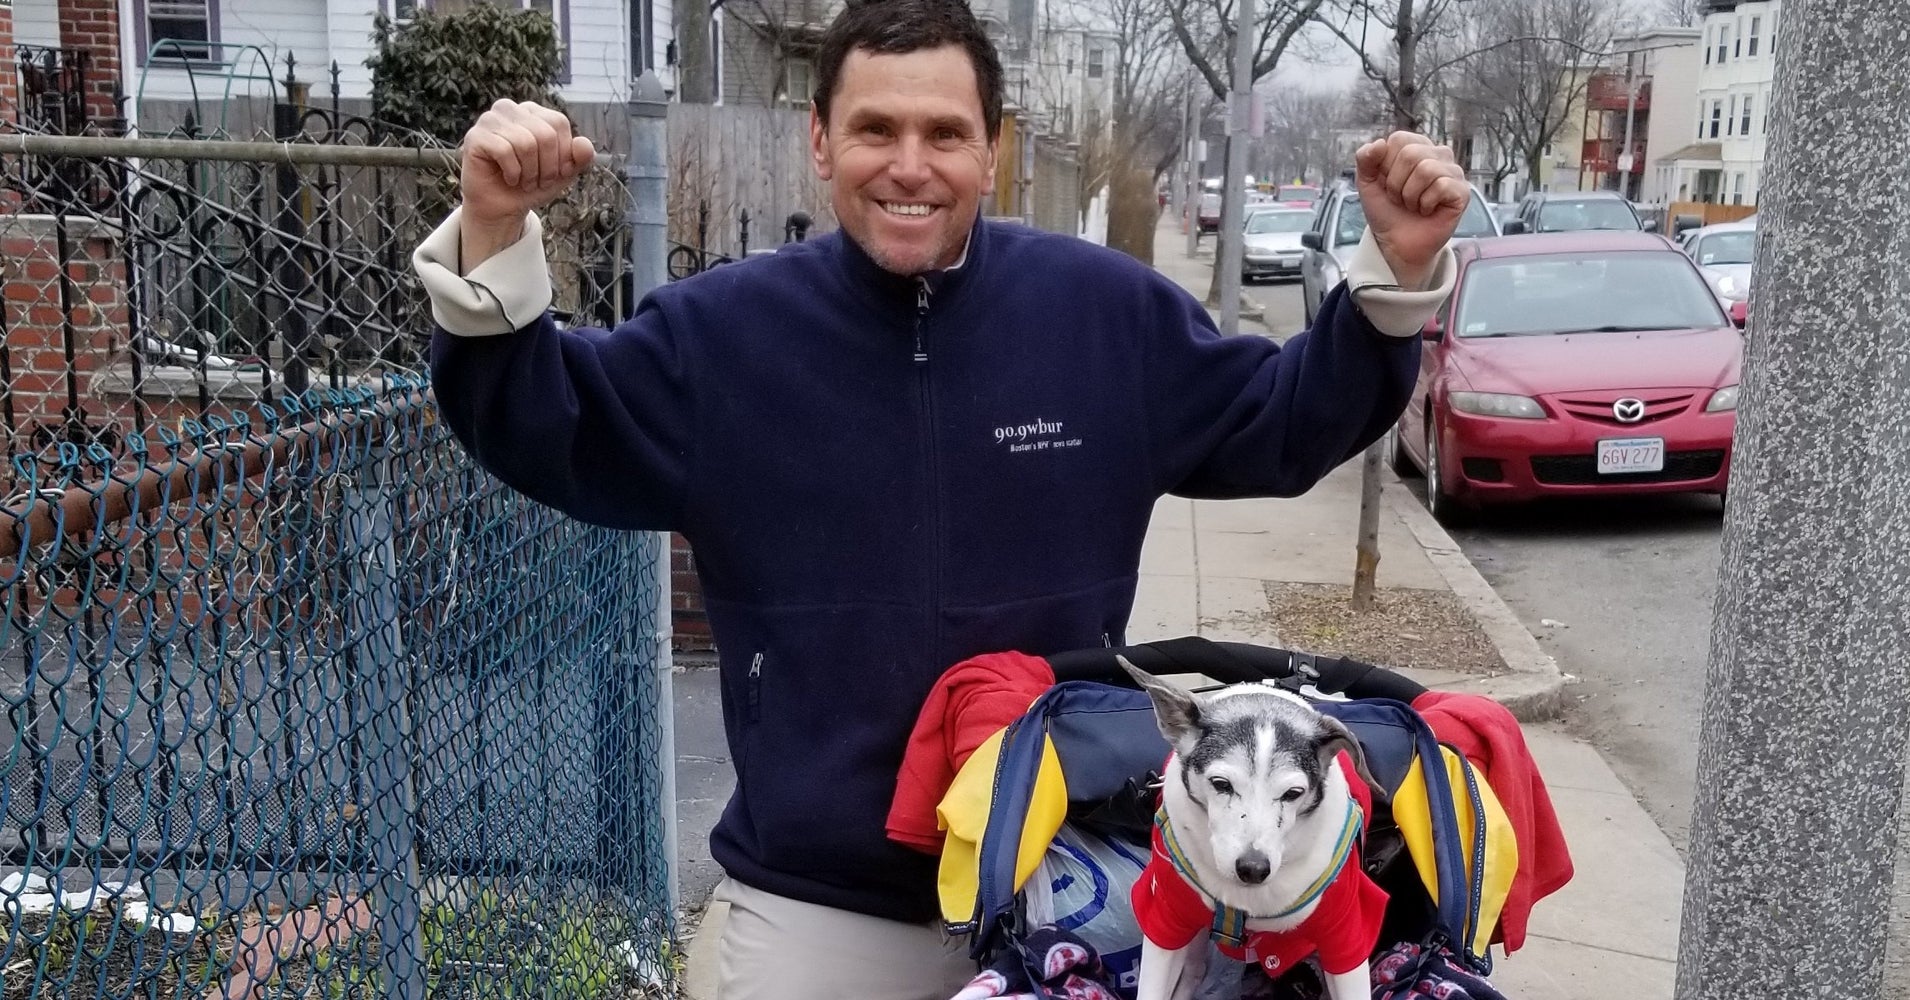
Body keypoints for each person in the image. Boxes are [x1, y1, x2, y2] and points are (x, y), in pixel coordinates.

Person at [410, 0, 1466, 995]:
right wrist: (494, 231)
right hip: (817, 900)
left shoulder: (1102, 315)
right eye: (874, 129)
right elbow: (545, 422)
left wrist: (1391, 279)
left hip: (1059, 876)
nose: (909, 166)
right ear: (819, 140)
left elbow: (1282, 421)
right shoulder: (721, 338)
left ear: (990, 149)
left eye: (944, 133)